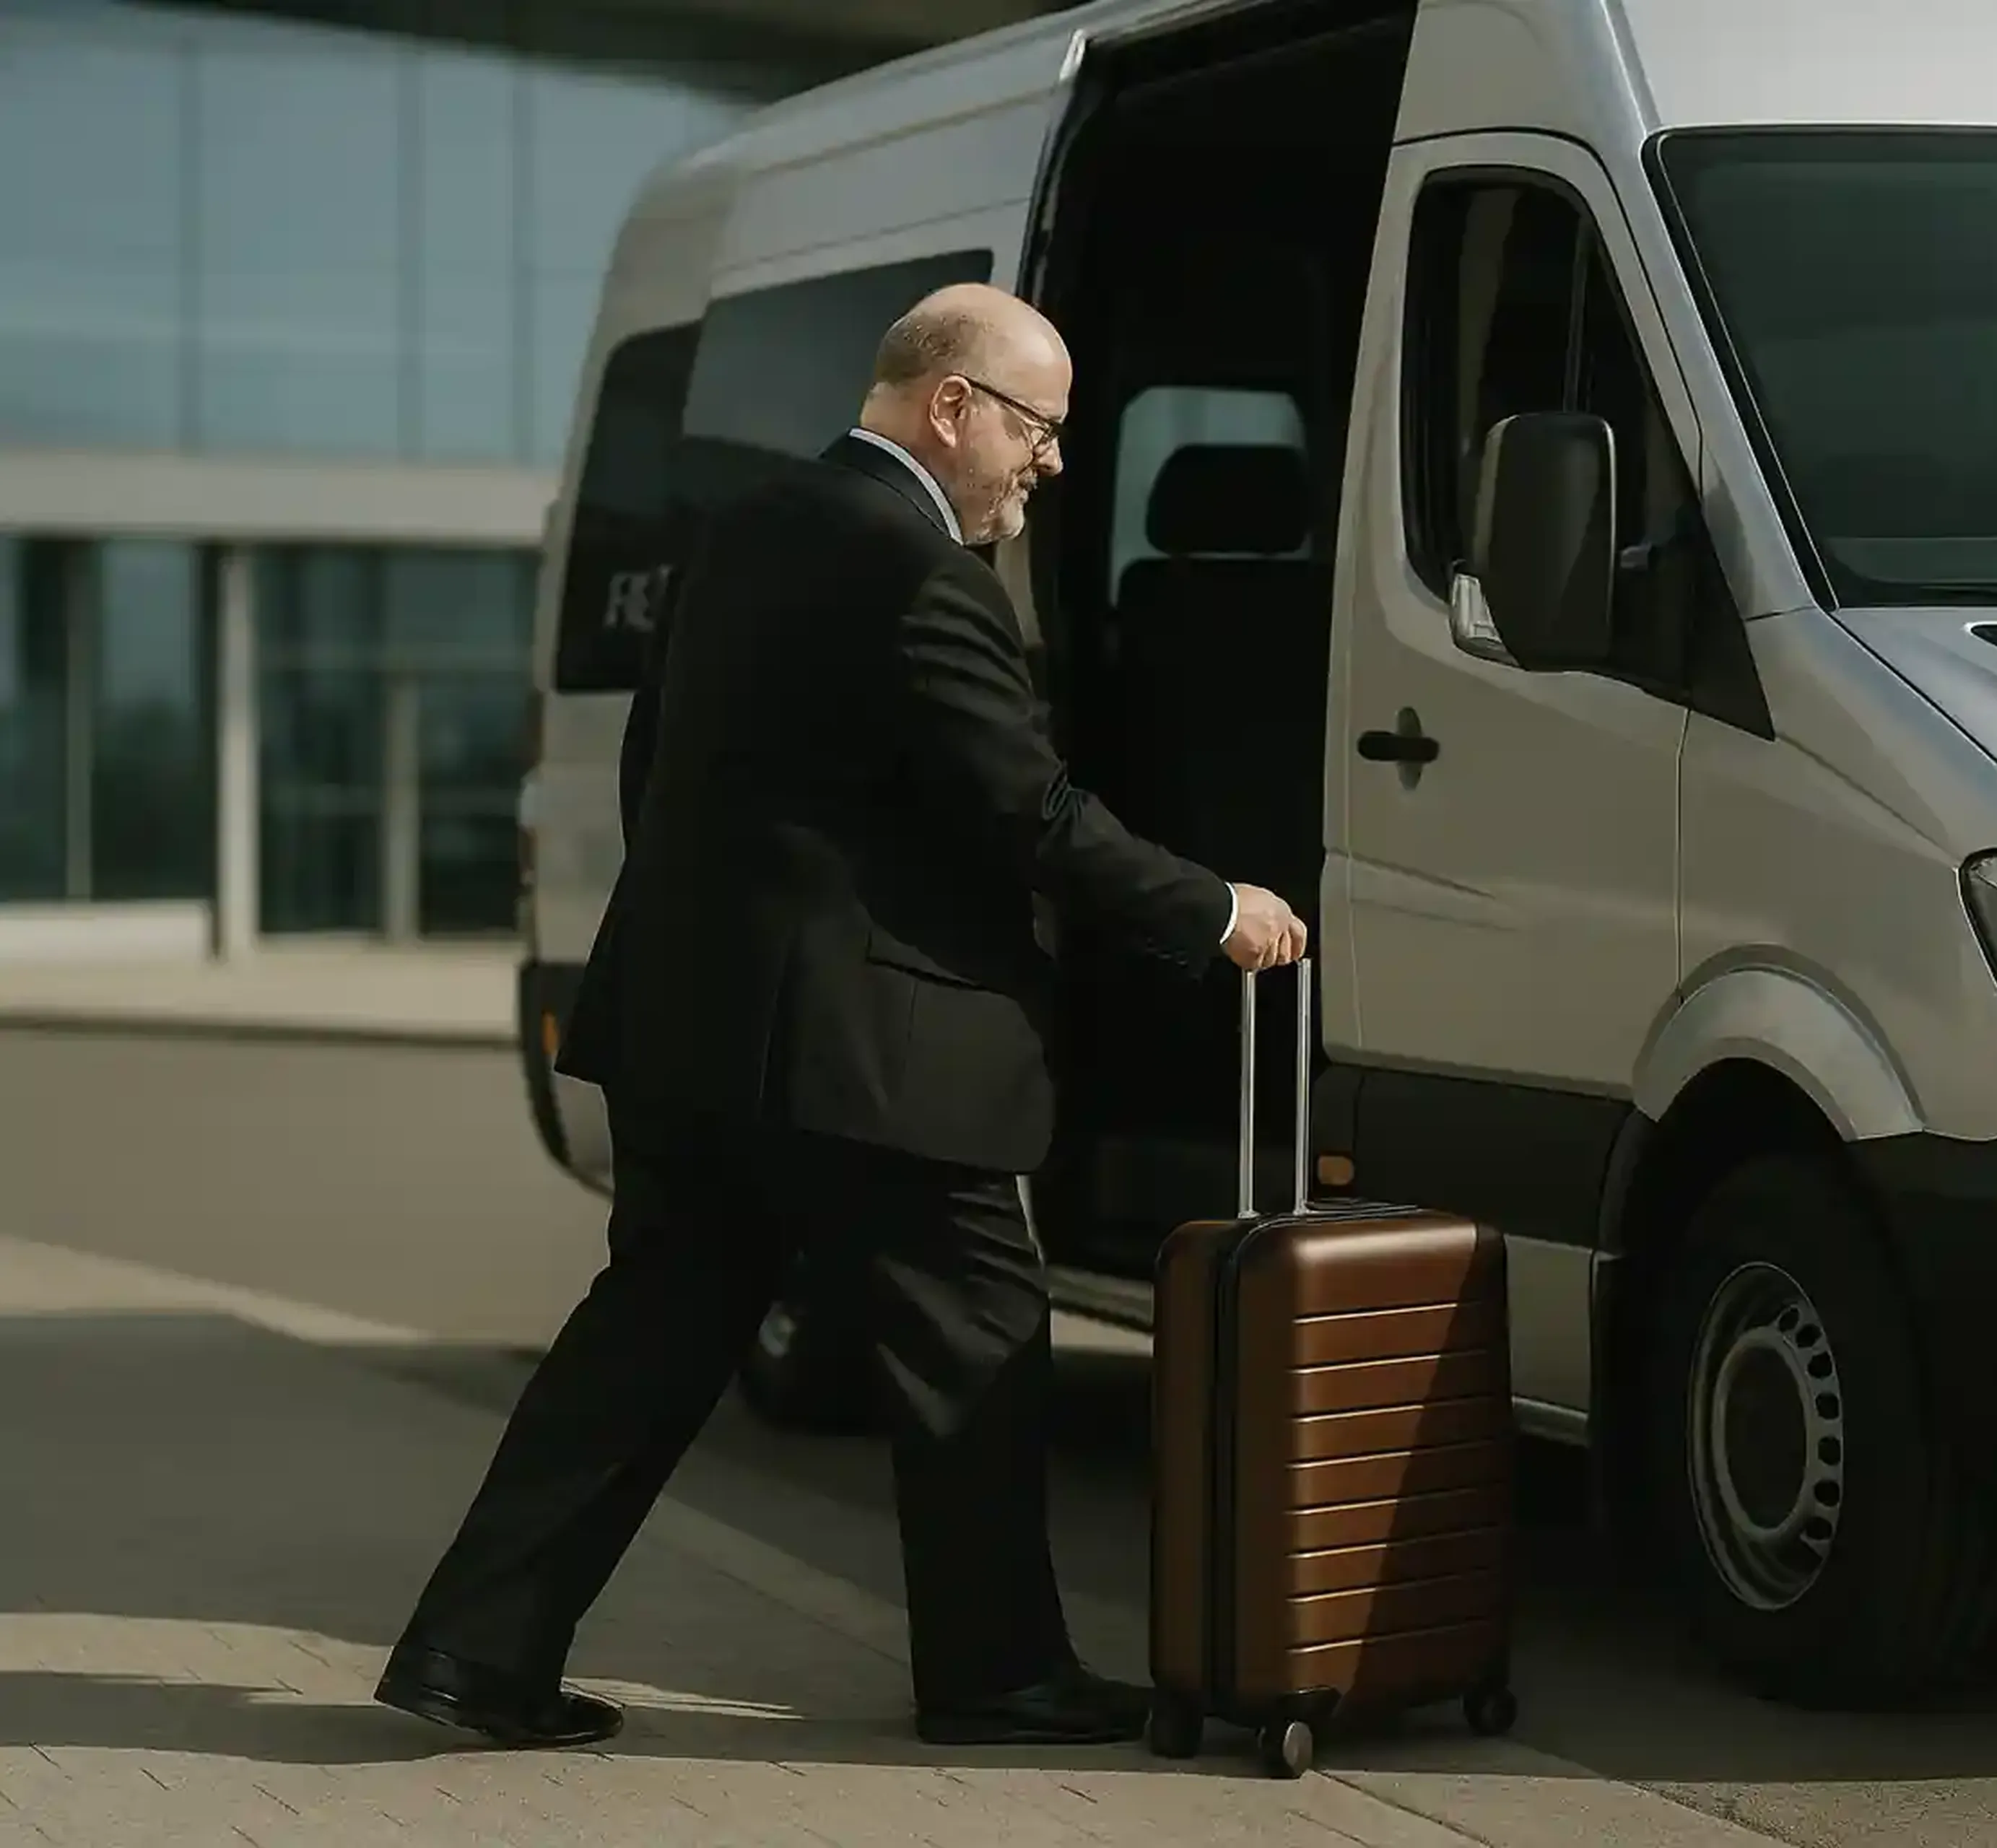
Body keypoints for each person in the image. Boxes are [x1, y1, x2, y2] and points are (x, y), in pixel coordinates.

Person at [373, 282, 1308, 1750]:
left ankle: (471, 1650)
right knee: (982, 1329)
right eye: (1040, 429)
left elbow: (656, 772)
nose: (1049, 463)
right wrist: (1209, 905)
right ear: (952, 408)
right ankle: (997, 1672)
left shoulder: (739, 531)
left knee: (644, 1348)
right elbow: (1027, 811)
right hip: (870, 1052)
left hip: (692, 1031)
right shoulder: (921, 570)